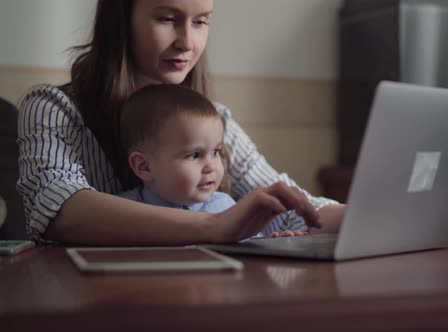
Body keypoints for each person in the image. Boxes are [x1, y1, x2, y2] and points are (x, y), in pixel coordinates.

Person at [16, 0, 345, 245]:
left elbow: (291, 206)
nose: (187, 42)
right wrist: (214, 227)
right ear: (121, 20)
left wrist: (367, 218)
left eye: (201, 22)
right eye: (167, 19)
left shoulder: (218, 121)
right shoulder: (53, 108)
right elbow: (59, 209)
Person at [117, 84, 307, 238]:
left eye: (216, 152)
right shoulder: (123, 213)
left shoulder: (227, 208)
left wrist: (275, 245)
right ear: (143, 166)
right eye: (194, 155)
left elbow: (252, 254)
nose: (211, 167)